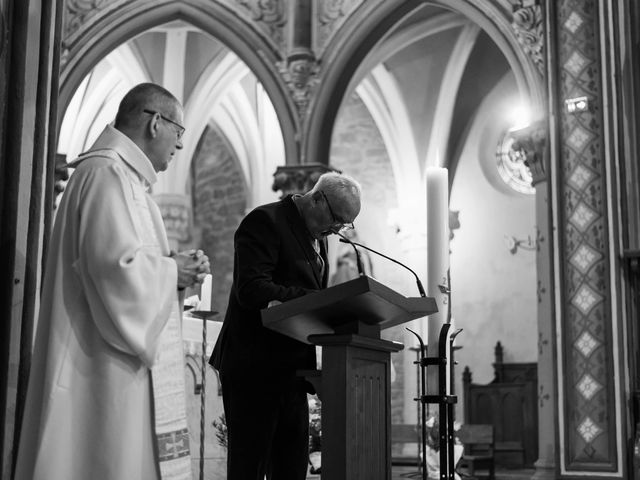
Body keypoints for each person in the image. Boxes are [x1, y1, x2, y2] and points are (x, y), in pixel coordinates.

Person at [14, 83, 210, 480]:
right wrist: (175, 271)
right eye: (179, 131)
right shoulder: (107, 173)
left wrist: (173, 267)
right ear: (155, 123)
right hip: (99, 361)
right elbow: (114, 268)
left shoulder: (122, 177)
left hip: (106, 354)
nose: (180, 145)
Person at [209, 171, 362, 480]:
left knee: (291, 469)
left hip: (292, 370)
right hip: (255, 365)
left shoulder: (319, 238)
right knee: (249, 468)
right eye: (336, 220)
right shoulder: (266, 221)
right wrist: (317, 300)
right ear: (317, 198)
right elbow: (251, 288)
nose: (337, 231)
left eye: (343, 225)